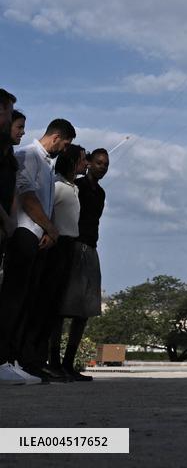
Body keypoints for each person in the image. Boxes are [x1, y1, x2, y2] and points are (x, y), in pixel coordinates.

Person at [0, 118, 76, 385]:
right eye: (65, 144)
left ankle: (21, 360)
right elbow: (27, 196)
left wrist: (48, 230)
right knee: (13, 300)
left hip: (38, 237)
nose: (65, 150)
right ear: (56, 138)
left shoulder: (47, 163)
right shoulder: (28, 156)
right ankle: (5, 358)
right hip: (24, 232)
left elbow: (46, 202)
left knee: (29, 302)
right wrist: (50, 228)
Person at [25, 144, 84, 382]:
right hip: (56, 245)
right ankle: (39, 359)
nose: (85, 164)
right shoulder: (58, 186)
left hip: (70, 245)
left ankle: (46, 362)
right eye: (82, 159)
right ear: (72, 162)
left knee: (56, 303)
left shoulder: (73, 187)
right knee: (46, 302)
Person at [56, 147, 109, 382]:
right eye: (98, 163)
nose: (102, 167)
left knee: (85, 310)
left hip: (91, 247)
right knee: (62, 306)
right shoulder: (77, 187)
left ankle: (68, 362)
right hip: (73, 245)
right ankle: (54, 361)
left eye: (106, 164)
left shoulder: (100, 193)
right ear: (88, 163)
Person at [0, 91, 18, 267]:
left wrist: (11, 221)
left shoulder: (8, 152)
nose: (11, 120)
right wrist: (6, 220)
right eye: (10, 113)